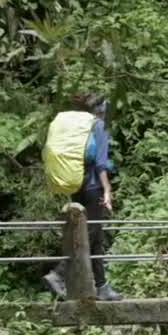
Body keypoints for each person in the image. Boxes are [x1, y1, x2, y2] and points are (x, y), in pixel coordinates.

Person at [42, 93, 123, 301]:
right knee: (89, 234)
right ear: (104, 112)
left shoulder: (81, 129)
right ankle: (58, 274)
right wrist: (107, 191)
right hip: (94, 187)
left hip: (77, 185)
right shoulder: (99, 127)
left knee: (96, 238)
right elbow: (101, 163)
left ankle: (102, 286)